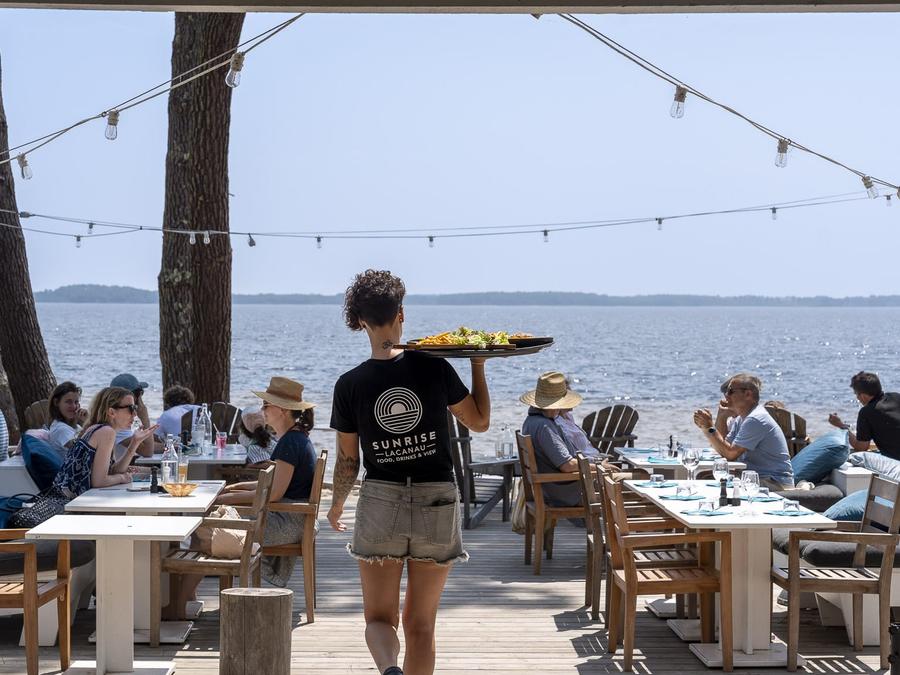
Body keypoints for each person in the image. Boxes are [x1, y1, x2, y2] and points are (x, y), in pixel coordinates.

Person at [327, 269, 490, 675]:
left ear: (360, 322)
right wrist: (478, 364)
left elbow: (348, 461)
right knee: (421, 625)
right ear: (402, 314)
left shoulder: (349, 384)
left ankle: (389, 669)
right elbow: (480, 422)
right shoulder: (434, 367)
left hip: (381, 500)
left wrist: (337, 504)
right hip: (438, 499)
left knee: (379, 620)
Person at [164, 377, 317, 620]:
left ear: (283, 410)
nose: (262, 410)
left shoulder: (290, 443)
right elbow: (271, 484)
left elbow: (274, 494)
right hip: (289, 518)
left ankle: (178, 606)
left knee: (205, 534)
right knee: (206, 529)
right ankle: (184, 600)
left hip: (286, 522)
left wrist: (227, 499)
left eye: (266, 405)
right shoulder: (294, 438)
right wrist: (232, 489)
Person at [8, 387, 158, 528]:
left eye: (135, 408)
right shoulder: (106, 432)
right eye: (131, 408)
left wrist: (134, 443)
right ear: (112, 412)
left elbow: (112, 471)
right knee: (135, 520)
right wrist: (123, 478)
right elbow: (100, 481)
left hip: (71, 501)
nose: (135, 414)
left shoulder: (98, 429)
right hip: (70, 507)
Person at [693, 373, 794, 490]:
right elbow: (723, 450)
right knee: (704, 476)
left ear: (748, 394)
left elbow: (730, 454)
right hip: (755, 477)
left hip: (774, 482)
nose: (726, 395)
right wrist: (708, 427)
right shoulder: (741, 419)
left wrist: (709, 428)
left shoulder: (755, 419)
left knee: (707, 479)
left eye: (730, 391)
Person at [520, 371, 590, 508]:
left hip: (550, 490)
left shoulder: (530, 422)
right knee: (624, 482)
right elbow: (567, 466)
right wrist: (598, 466)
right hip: (565, 493)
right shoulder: (544, 426)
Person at [829, 371, 900, 460]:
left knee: (854, 458)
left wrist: (841, 425)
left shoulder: (866, 412)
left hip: (896, 461)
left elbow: (861, 447)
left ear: (862, 396)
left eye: (856, 394)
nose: (857, 398)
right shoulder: (896, 396)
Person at [110, 373, 156, 457]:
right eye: (141, 393)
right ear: (134, 397)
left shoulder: (123, 418)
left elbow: (143, 442)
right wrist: (144, 418)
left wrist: (170, 445)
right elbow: (148, 451)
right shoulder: (117, 425)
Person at [46, 381, 89, 453]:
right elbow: (77, 449)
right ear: (56, 402)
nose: (74, 406)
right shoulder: (60, 429)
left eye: (76, 402)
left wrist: (84, 422)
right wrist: (87, 425)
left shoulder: (75, 426)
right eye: (69, 402)